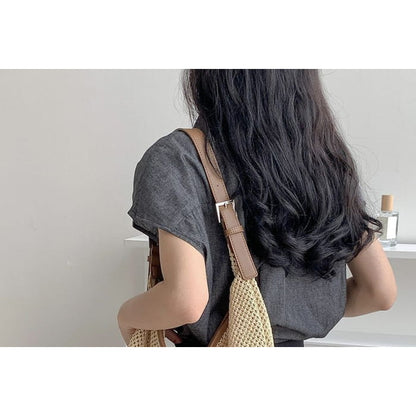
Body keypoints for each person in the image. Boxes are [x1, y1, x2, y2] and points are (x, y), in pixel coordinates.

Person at [117, 69, 397, 347]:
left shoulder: (180, 158)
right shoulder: (324, 160)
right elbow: (379, 292)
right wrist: (297, 309)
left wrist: (126, 316)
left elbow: (184, 301)